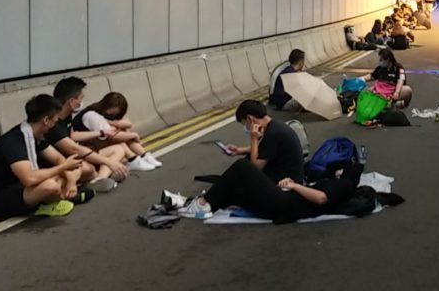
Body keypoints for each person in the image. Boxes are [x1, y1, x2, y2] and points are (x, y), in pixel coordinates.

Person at [0, 95, 86, 217]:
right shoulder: (13, 142)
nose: (56, 124)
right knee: (50, 185)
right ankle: (57, 200)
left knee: (74, 170)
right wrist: (62, 168)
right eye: (55, 120)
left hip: (19, 187)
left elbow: (58, 159)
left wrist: (71, 181)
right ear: (46, 121)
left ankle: (61, 196)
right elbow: (29, 179)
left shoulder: (36, 136)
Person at [177, 158, 360, 222]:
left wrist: (295, 186)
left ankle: (202, 205)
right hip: (283, 204)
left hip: (282, 204)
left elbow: (320, 198)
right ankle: (194, 204)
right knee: (237, 192)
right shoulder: (341, 185)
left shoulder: (344, 185)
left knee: (243, 167)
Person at [48, 77, 136, 186]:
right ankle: (98, 178)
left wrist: (101, 132)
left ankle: (99, 180)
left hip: (74, 156)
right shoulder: (53, 123)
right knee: (87, 169)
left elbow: (73, 136)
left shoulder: (66, 115)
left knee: (118, 149)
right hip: (63, 161)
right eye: (80, 98)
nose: (81, 102)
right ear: (71, 101)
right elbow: (74, 148)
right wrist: (109, 163)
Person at [72, 91, 163, 169]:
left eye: (114, 115)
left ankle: (144, 156)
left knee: (124, 130)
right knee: (120, 139)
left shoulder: (105, 112)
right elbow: (113, 137)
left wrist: (112, 122)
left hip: (97, 143)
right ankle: (133, 159)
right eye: (110, 114)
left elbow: (128, 123)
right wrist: (133, 135)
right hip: (88, 148)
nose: (112, 116)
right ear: (106, 106)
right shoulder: (92, 116)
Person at [224, 100, 304, 184]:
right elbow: (263, 149)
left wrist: (254, 139)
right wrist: (239, 150)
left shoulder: (273, 134)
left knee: (244, 168)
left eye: (244, 123)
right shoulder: (274, 126)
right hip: (285, 173)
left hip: (285, 182)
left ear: (249, 119)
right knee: (244, 162)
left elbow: (255, 169)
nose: (245, 127)